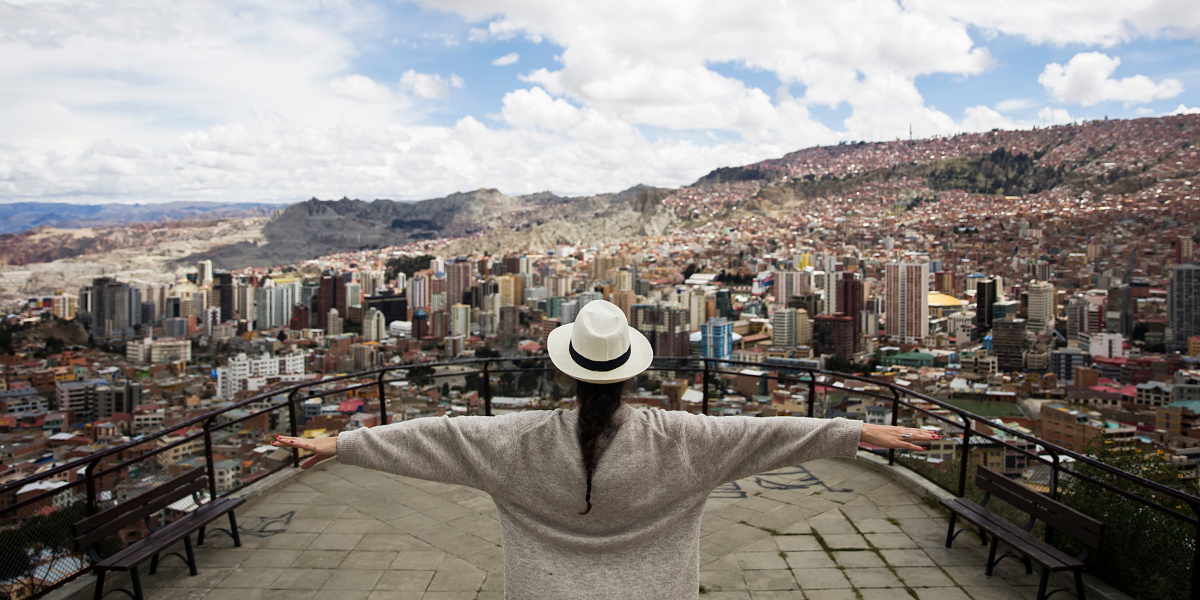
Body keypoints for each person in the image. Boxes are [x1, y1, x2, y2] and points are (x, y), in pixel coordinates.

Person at [273, 300, 940, 599]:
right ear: (633, 371)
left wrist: (342, 444)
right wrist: (864, 433)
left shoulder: (516, 440)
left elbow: (433, 437)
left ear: (566, 370)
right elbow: (770, 432)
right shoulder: (685, 441)